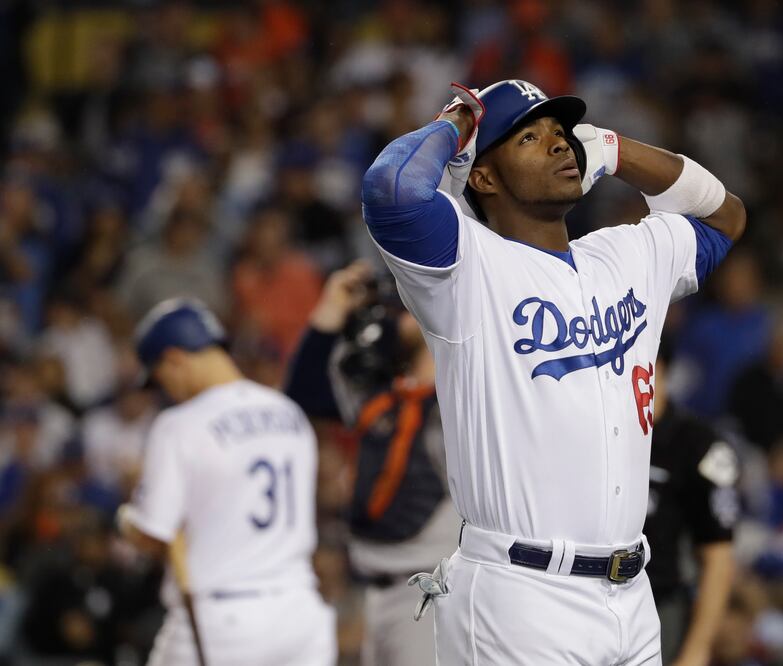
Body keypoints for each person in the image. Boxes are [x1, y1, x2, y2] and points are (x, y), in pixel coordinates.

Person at [361, 79, 746, 664]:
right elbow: (393, 186)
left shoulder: (626, 254)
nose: (560, 145)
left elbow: (725, 216)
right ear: (484, 177)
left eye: (561, 133)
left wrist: (614, 150)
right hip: (520, 592)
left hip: (633, 592)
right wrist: (458, 124)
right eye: (529, 137)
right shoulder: (464, 268)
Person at [116, 298, 336, 665]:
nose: (165, 389)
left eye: (160, 377)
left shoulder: (180, 425)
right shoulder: (289, 412)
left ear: (174, 359)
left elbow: (154, 537)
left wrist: (126, 518)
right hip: (301, 613)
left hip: (225, 619)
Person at [286, 260, 459, 666]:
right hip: (375, 590)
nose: (389, 317)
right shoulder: (384, 397)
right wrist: (331, 310)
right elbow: (306, 397)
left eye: (402, 308)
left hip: (434, 588)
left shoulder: (463, 397)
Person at [644, 350, 739, 665]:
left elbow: (718, 557)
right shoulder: (595, 433)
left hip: (658, 603)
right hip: (585, 593)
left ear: (662, 371)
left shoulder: (697, 445)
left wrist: (698, 647)